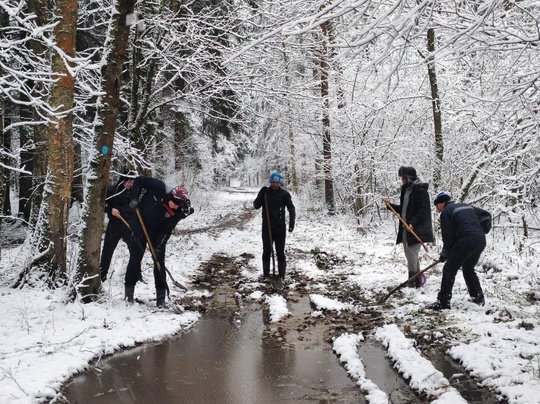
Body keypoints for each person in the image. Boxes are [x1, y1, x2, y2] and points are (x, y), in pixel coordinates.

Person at [125, 176, 194, 307]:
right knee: (135, 259)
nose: (175, 208)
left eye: (179, 206)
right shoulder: (158, 187)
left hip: (158, 232)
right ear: (171, 198)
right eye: (175, 204)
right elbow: (139, 180)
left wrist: (159, 246)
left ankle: (161, 299)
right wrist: (134, 198)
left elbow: (167, 230)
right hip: (140, 223)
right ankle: (128, 295)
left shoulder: (179, 211)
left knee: (159, 262)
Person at [429, 191, 486, 310]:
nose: (436, 209)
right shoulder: (466, 206)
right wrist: (481, 230)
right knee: (468, 268)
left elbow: (448, 236)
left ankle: (443, 302)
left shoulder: (446, 211)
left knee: (449, 269)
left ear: (442, 203)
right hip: (480, 240)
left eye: (436, 205)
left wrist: (445, 254)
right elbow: (486, 215)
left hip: (466, 241)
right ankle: (478, 297)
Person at [382, 166, 434, 287]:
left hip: (416, 228)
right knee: (410, 254)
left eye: (404, 178)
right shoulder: (406, 190)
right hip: (406, 227)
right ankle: (417, 279)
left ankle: (412, 281)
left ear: (409, 178)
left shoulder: (420, 191)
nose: (402, 181)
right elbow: (405, 210)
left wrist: (413, 223)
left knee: (411, 254)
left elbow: (423, 210)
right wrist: (391, 206)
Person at [253, 171, 296, 287]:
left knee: (280, 251)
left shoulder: (285, 194)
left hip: (280, 227)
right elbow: (256, 206)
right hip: (267, 227)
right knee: (267, 251)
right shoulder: (265, 193)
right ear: (270, 182)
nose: (275, 185)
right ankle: (266, 274)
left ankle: (281, 275)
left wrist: (292, 223)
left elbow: (291, 209)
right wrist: (260, 195)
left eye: (277, 183)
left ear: (280, 183)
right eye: (273, 182)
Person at [100, 170, 137, 282]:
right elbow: (100, 203)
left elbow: (134, 209)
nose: (131, 184)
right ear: (123, 180)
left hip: (129, 226)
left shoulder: (134, 193)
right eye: (129, 181)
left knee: (135, 251)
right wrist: (110, 210)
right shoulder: (112, 190)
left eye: (133, 182)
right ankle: (102, 274)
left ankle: (136, 274)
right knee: (107, 250)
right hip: (114, 226)